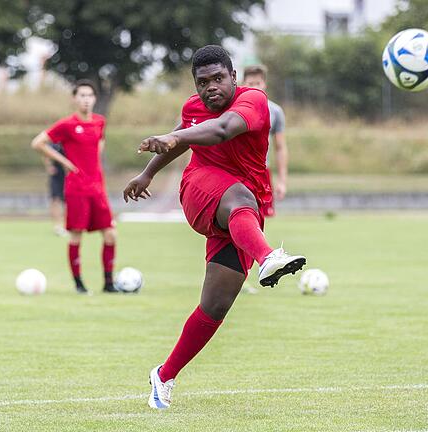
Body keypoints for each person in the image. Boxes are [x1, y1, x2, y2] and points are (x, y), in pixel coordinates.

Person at [123, 45, 307, 410]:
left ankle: (164, 375)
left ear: (233, 77)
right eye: (202, 82)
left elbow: (221, 130)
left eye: (218, 79)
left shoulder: (253, 100)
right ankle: (268, 256)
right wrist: (147, 173)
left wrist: (176, 138)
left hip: (241, 213)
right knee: (239, 197)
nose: (211, 88)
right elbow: (180, 136)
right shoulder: (193, 108)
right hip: (202, 190)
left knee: (216, 305)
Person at [30, 79, 119, 295]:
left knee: (111, 234)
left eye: (89, 95)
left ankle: (108, 284)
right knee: (76, 235)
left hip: (98, 188)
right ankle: (79, 284)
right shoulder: (67, 125)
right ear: (74, 99)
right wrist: (65, 162)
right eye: (81, 95)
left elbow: (99, 145)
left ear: (95, 99)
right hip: (76, 188)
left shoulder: (99, 122)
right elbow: (37, 143)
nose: (86, 100)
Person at [242, 64, 288, 217]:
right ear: (243, 84)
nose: (255, 87)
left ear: (264, 84)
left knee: (261, 218)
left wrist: (282, 181)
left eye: (258, 84)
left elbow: (280, 147)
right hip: (239, 171)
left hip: (261, 172)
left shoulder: (275, 111)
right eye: (250, 84)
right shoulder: (236, 109)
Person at [44, 143, 68, 237]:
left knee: (68, 201)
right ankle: (57, 226)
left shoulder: (70, 141)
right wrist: (49, 166)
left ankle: (67, 226)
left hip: (68, 175)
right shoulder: (54, 142)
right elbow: (45, 152)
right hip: (56, 175)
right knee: (55, 200)